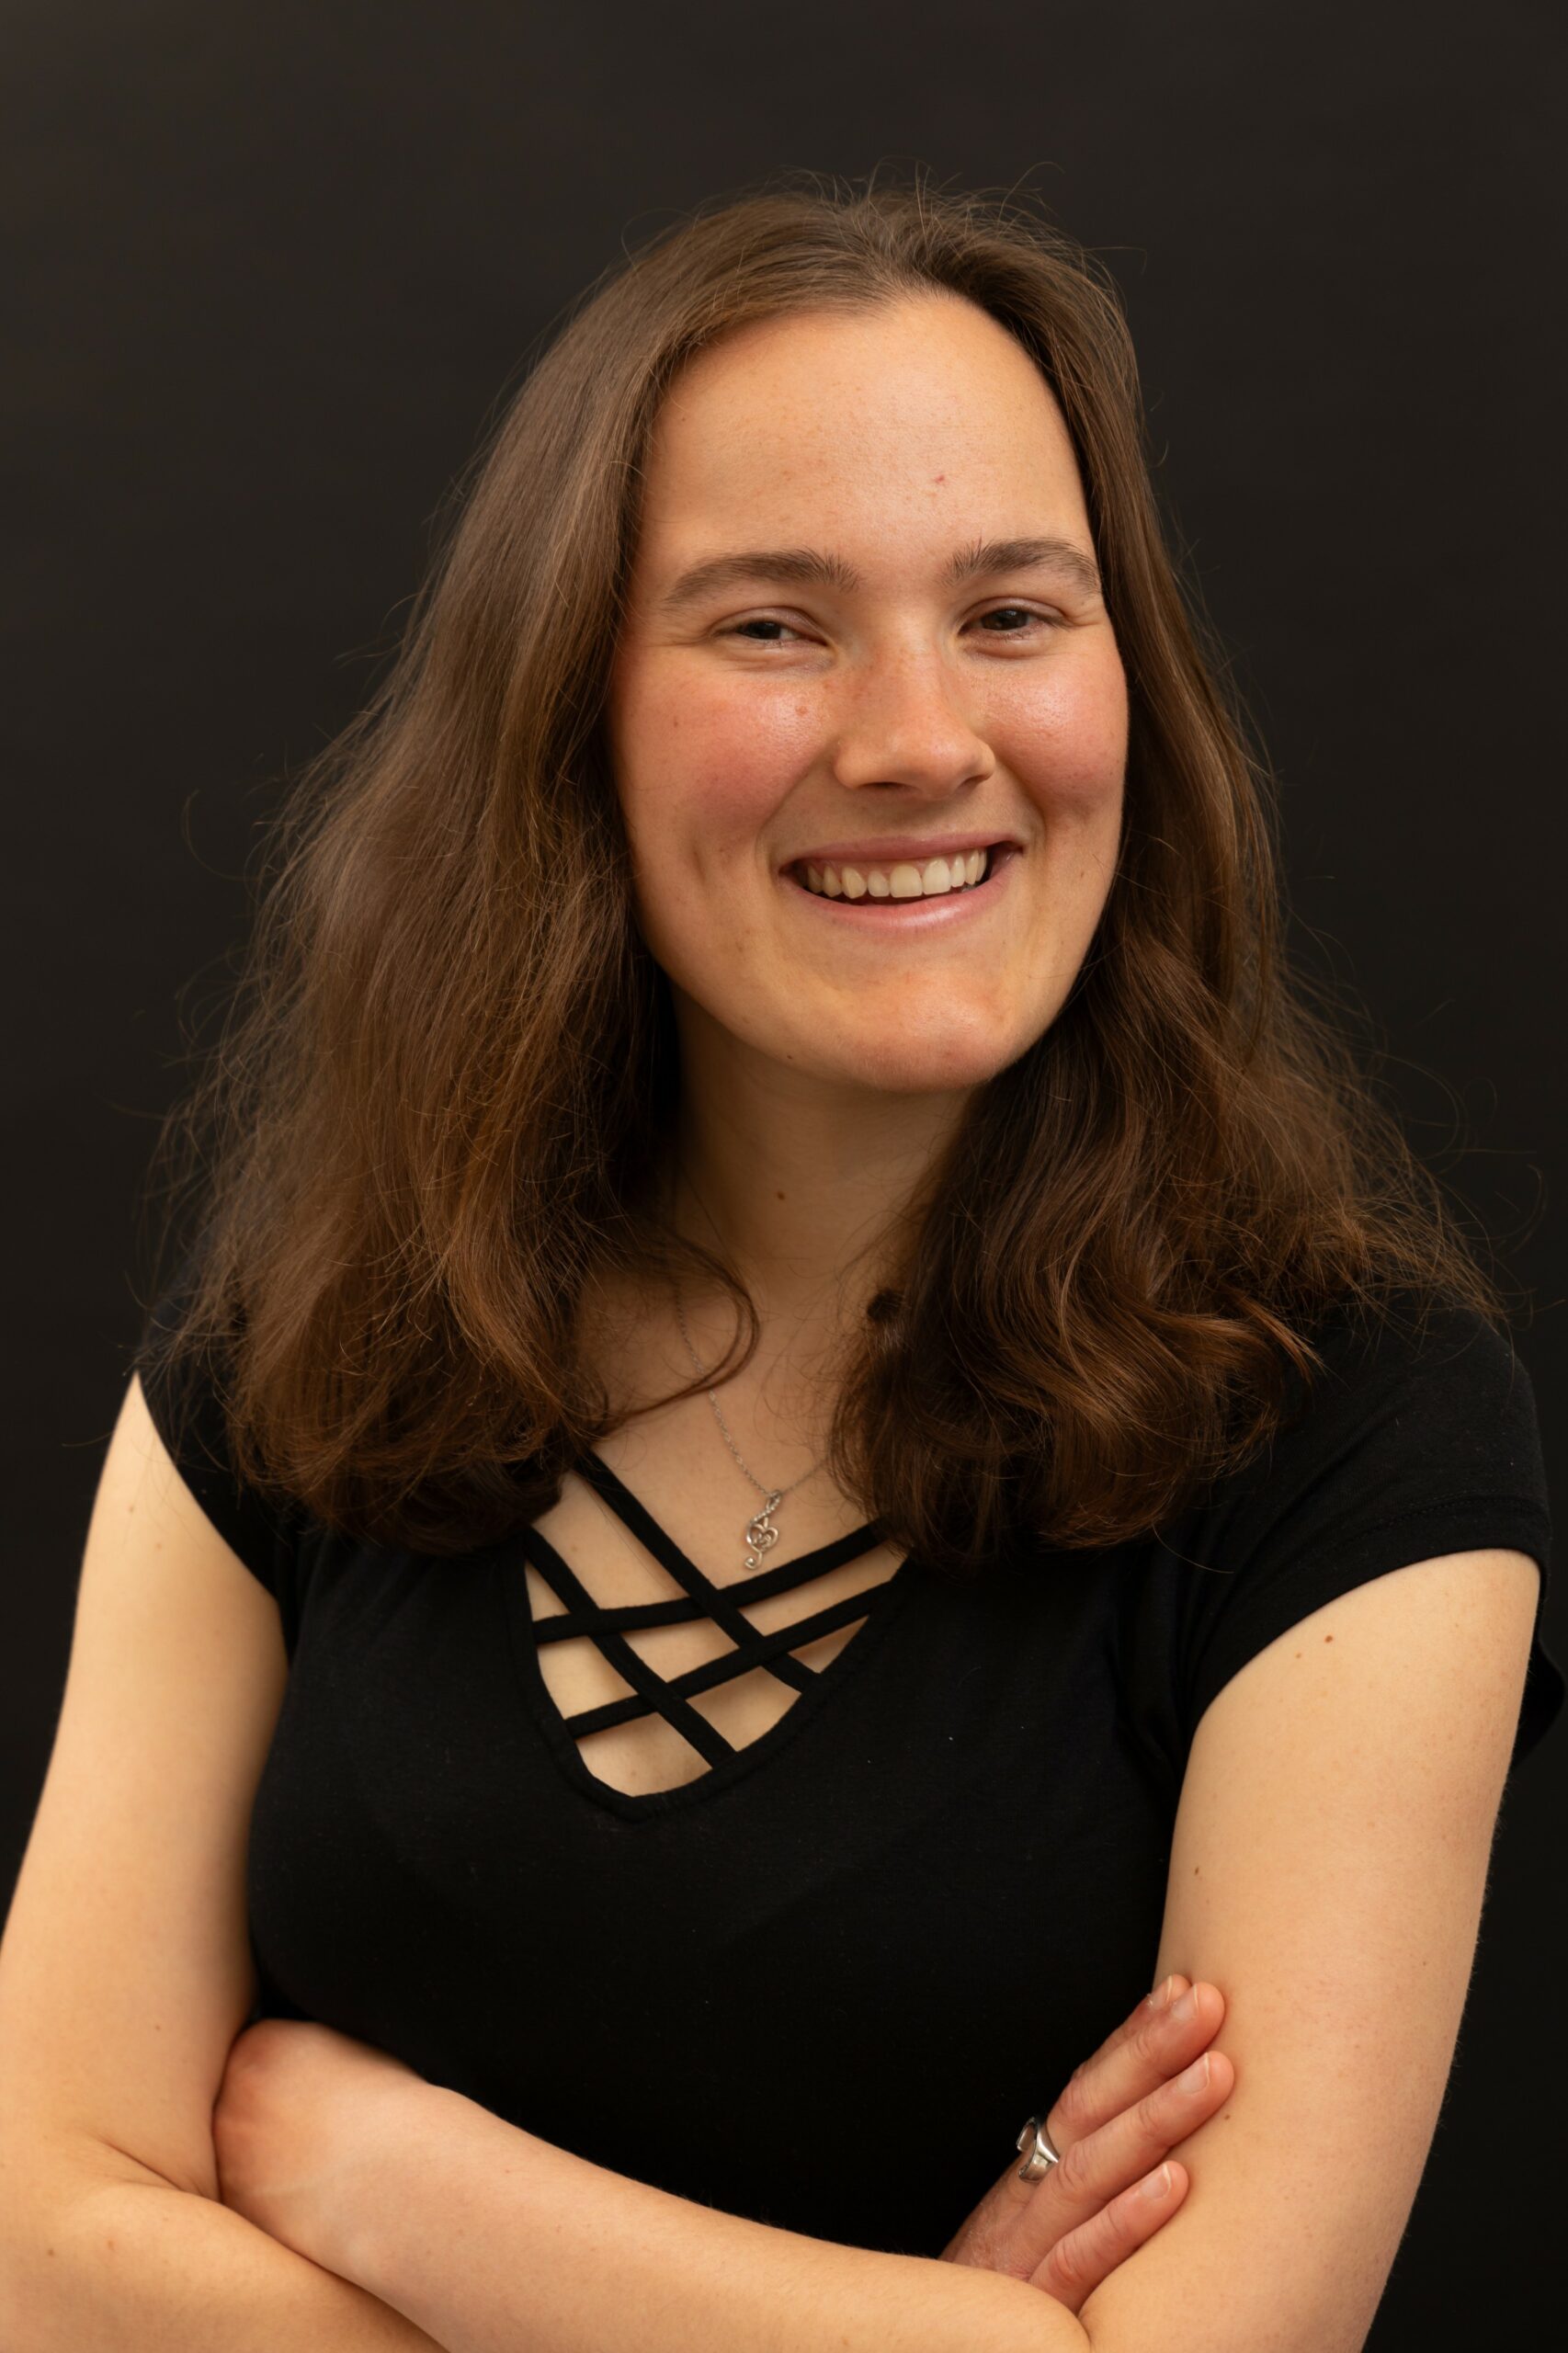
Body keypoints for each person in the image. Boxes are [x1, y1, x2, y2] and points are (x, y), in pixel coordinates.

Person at [0, 171, 1559, 2353]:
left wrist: (386, 2172)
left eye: (1013, 611)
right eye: (770, 622)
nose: (920, 738)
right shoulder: (299, 1355)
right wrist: (936, 2331)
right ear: (570, 721)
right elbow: (39, 2255)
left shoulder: (1359, 1433)